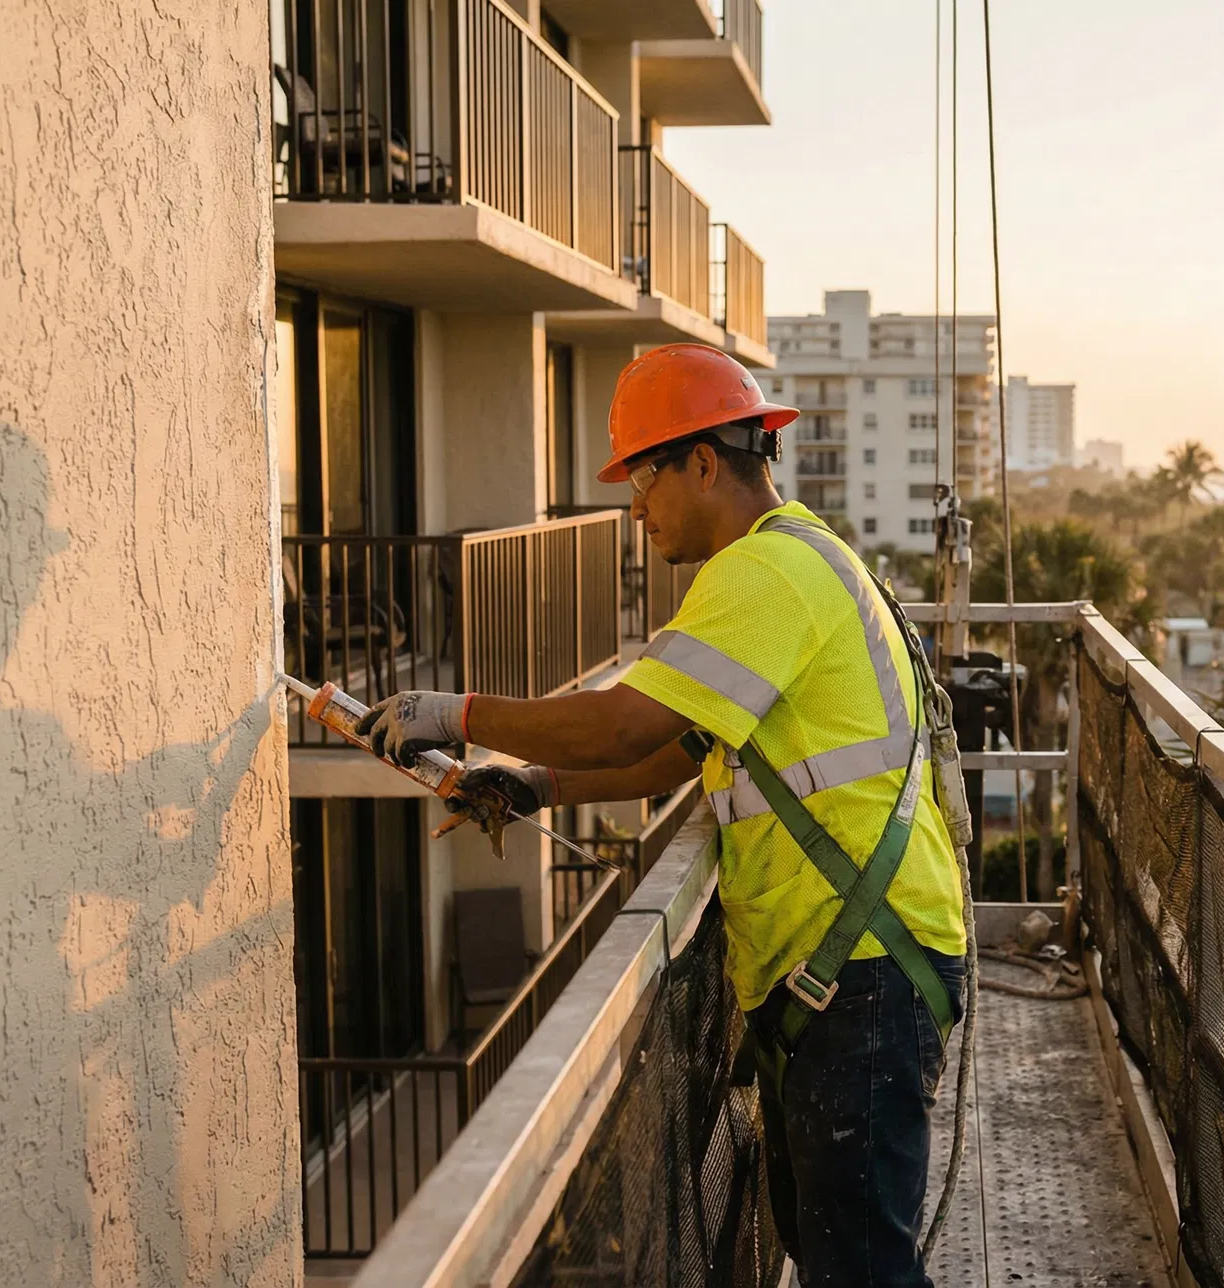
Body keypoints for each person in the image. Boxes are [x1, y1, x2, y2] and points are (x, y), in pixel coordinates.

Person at [355, 343, 967, 1287]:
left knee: (863, 1272)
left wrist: (456, 715)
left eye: (641, 477)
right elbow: (676, 751)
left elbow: (620, 723)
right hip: (851, 970)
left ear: (704, 463)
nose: (635, 507)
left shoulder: (763, 575)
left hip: (864, 974)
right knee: (835, 1252)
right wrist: (534, 785)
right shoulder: (791, 563)